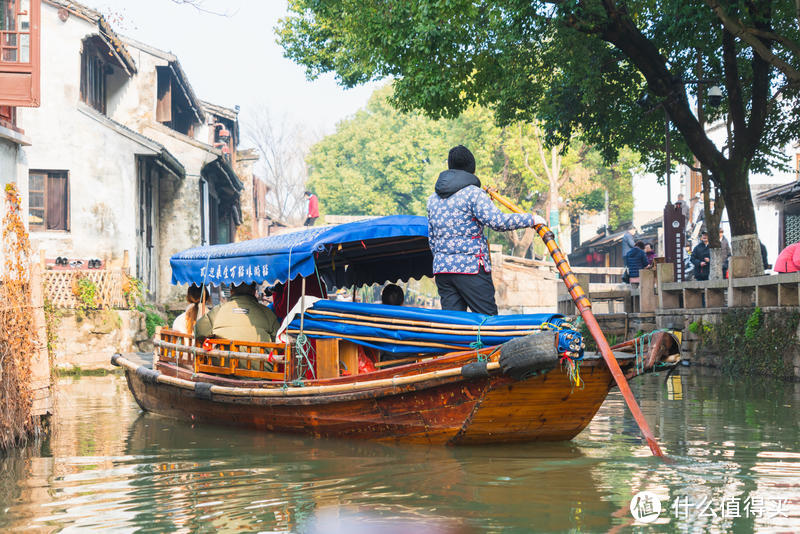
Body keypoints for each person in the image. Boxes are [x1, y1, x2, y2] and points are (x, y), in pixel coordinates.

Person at [427, 145, 546, 315]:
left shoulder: (432, 199)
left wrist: (444, 258)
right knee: (487, 320)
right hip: (470, 267)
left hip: (443, 270)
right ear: (471, 169)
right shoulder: (473, 194)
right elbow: (497, 222)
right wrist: (531, 219)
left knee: (453, 323)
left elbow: (432, 239)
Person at [194, 282, 280, 343]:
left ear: (231, 291)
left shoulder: (216, 312)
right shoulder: (268, 313)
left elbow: (198, 332)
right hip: (261, 368)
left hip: (223, 367)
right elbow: (279, 340)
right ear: (254, 292)